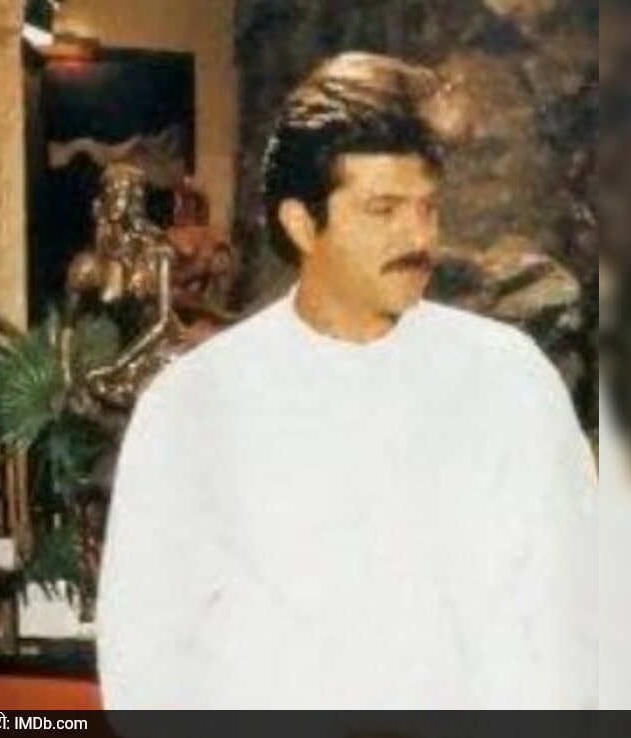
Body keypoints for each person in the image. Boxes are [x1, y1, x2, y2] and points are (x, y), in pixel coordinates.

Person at [97, 52, 596, 709]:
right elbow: (145, 656)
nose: (418, 236)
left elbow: (580, 618)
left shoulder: (509, 379)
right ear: (302, 223)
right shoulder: (195, 404)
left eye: (427, 207)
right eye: (383, 209)